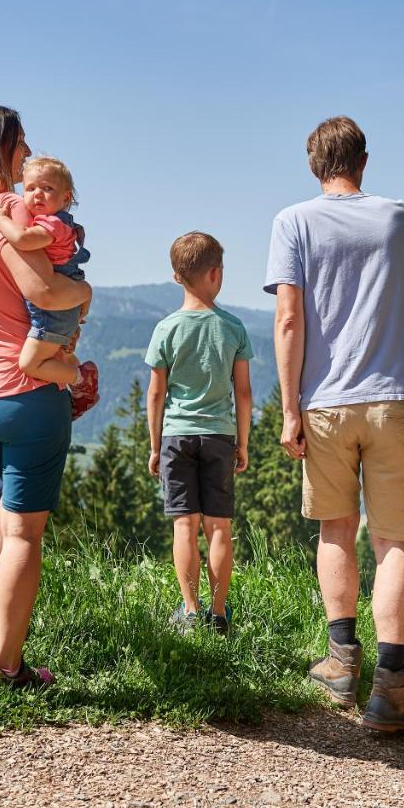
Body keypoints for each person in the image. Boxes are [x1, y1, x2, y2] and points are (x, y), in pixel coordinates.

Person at [264, 115, 404, 732]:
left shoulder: (292, 222)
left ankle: (341, 663)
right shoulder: (401, 217)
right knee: (394, 541)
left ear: (314, 164)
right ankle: (390, 692)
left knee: (335, 531)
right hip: (393, 400)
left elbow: (289, 321)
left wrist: (290, 407)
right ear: (364, 160)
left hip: (324, 404)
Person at [0, 103, 92, 688]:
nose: (26, 156)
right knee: (27, 530)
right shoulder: (8, 209)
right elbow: (45, 293)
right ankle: (6, 669)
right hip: (23, 393)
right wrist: (86, 289)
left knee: (8, 503)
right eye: (20, 146)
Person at [145, 232, 253, 636]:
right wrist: (242, 442)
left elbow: (156, 393)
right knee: (219, 528)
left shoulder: (166, 329)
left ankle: (191, 612)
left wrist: (156, 446)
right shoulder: (233, 328)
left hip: (176, 437)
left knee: (184, 527)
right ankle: (220, 615)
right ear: (216, 273)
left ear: (177, 277)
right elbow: (243, 392)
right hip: (220, 437)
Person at [0, 155, 94, 388]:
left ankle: (80, 380)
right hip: (62, 303)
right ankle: (79, 382)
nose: (37, 193)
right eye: (30, 188)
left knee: (30, 364)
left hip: (54, 311)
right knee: (55, 355)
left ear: (65, 198)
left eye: (47, 188)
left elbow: (23, 239)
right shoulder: (51, 222)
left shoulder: (54, 224)